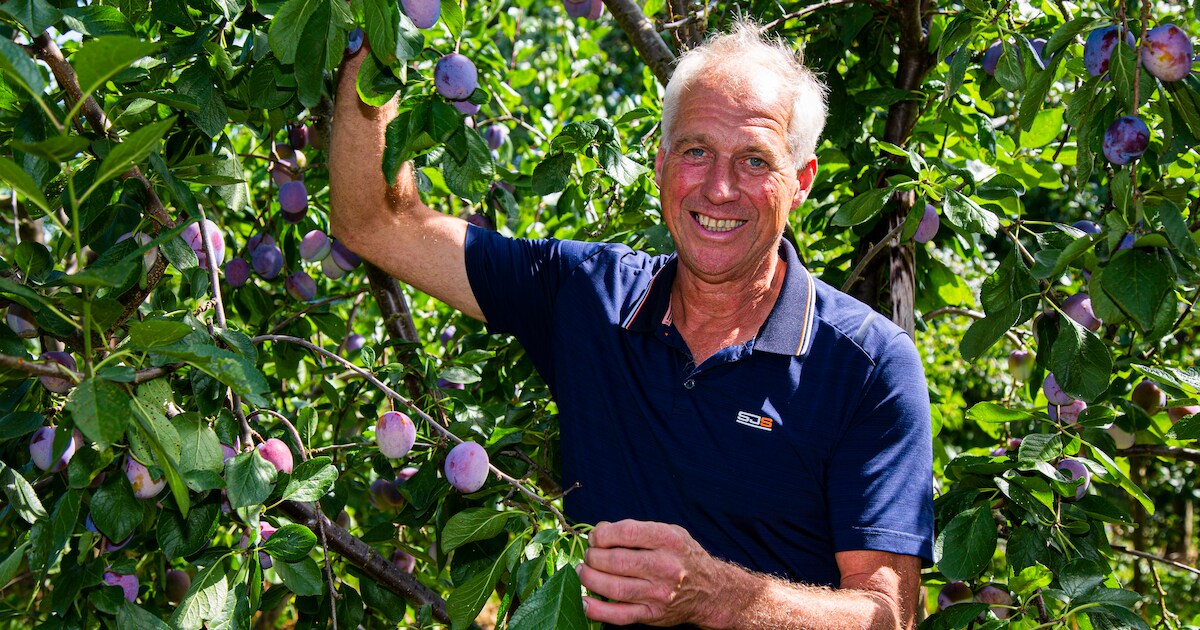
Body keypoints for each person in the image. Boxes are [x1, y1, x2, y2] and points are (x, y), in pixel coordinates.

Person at [330, 20, 933, 630]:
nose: (719, 188)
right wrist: (374, 31)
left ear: (800, 182)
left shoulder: (868, 365)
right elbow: (374, 223)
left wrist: (721, 595)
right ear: (662, 163)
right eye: (696, 151)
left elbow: (889, 617)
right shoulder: (591, 295)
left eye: (754, 160)